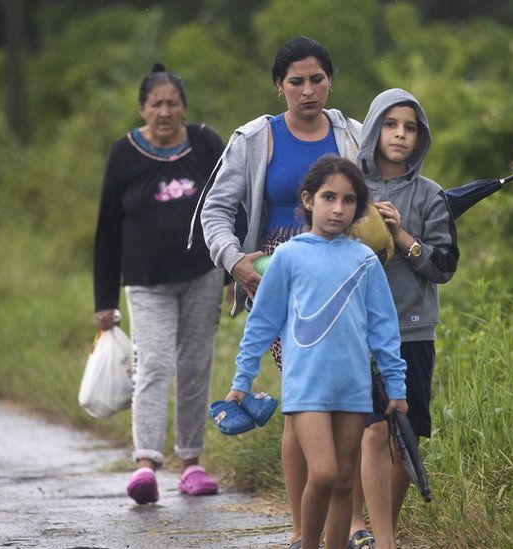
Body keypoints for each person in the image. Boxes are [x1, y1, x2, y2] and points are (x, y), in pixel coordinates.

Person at [195, 36, 362, 545]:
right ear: (279, 86)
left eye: (317, 79)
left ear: (330, 81)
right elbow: (216, 211)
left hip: (345, 277)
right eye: (296, 81)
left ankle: (351, 523)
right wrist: (236, 262)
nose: (308, 91)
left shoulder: (353, 134)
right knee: (303, 395)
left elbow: (377, 194)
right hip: (280, 278)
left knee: (348, 395)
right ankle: (301, 528)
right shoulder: (254, 139)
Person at [224, 156, 408, 549]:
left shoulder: (364, 261)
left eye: (348, 201)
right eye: (329, 197)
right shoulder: (289, 256)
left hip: (353, 389)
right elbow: (262, 324)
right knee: (323, 473)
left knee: (344, 481)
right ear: (308, 200)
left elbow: (384, 330)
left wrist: (396, 387)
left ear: (359, 208)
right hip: (306, 386)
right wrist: (242, 380)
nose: (338, 208)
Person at [93, 63, 225, 504]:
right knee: (153, 365)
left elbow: (232, 202)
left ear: (184, 107)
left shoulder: (206, 143)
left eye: (172, 103)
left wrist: (235, 267)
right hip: (146, 282)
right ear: (142, 109)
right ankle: (145, 464)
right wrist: (103, 300)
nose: (164, 111)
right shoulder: (125, 153)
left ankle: (192, 463)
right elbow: (107, 228)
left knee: (195, 366)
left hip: (203, 276)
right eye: (156, 104)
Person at [348, 89, 459, 549]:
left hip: (411, 329)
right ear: (374, 129)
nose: (399, 134)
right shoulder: (348, 186)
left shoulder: (431, 195)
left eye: (410, 127)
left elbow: (445, 266)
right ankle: (359, 529)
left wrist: (401, 234)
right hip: (355, 330)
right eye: (391, 124)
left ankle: (383, 533)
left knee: (402, 436)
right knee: (368, 430)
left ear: (420, 137)